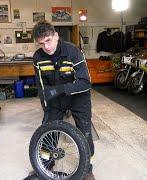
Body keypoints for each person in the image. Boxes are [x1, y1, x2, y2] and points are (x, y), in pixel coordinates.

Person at [26, 20, 94, 180]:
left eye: (49, 40)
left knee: (85, 134)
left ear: (56, 36)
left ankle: (87, 169)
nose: (47, 47)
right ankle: (44, 164)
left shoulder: (73, 52)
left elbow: (85, 82)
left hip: (78, 98)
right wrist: (47, 111)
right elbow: (42, 89)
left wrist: (61, 89)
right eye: (42, 44)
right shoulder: (38, 58)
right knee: (46, 133)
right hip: (55, 100)